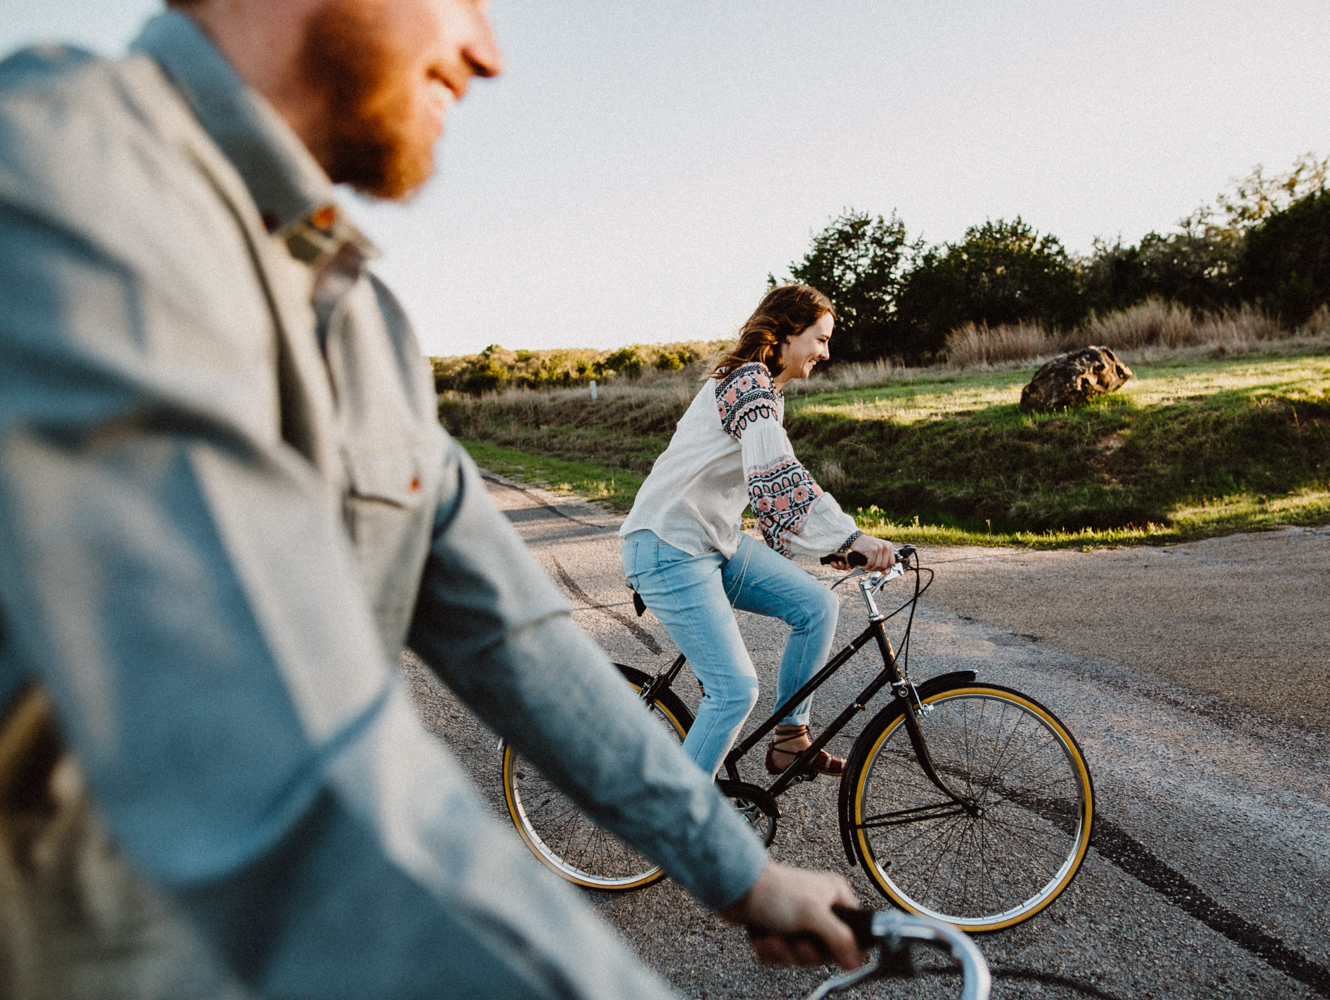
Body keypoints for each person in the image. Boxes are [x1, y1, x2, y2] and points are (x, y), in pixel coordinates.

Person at [0, 2, 864, 997]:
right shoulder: (65, 184)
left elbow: (520, 637)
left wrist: (745, 874)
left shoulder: (356, 312)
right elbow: (287, 765)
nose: (489, 54)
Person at [620, 285, 897, 780]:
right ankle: (680, 832)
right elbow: (777, 473)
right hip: (667, 546)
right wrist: (848, 537)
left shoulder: (765, 393)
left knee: (817, 606)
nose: (826, 352)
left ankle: (791, 738)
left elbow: (770, 488)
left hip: (710, 544)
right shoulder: (747, 383)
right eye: (820, 338)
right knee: (733, 691)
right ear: (788, 332)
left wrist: (828, 543)